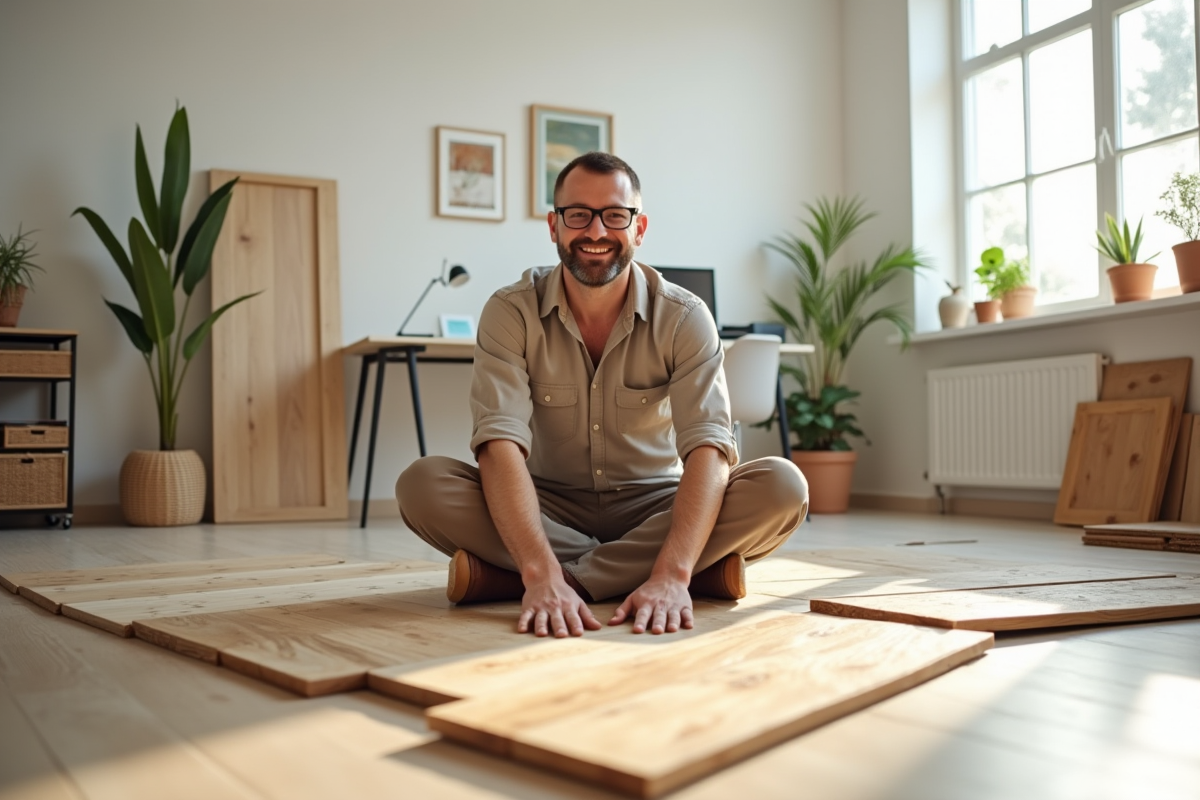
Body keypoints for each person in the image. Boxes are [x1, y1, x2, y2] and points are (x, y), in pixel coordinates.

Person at [396, 152, 808, 639]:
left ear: (639, 227)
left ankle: (535, 578)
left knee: (783, 488)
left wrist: (670, 575)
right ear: (554, 225)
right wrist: (541, 571)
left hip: (656, 503)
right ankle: (697, 572)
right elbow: (499, 443)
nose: (595, 232)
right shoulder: (511, 311)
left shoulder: (684, 315)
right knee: (422, 485)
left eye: (615, 215)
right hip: (548, 504)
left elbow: (709, 448)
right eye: (578, 215)